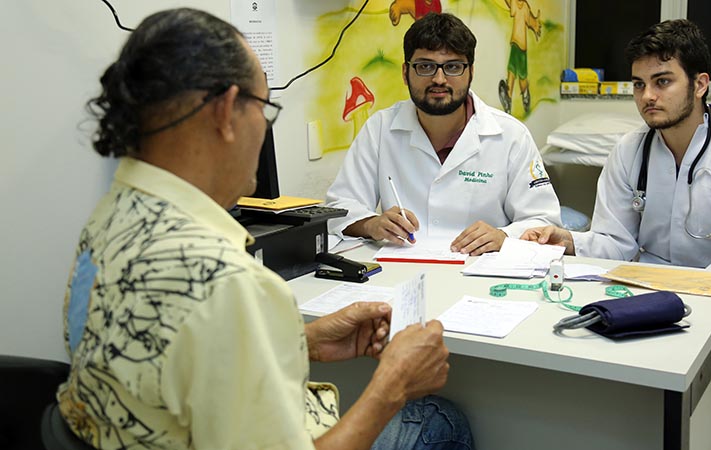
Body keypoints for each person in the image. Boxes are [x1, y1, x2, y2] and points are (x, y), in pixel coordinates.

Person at [58, 8, 472, 450]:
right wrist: (393, 385)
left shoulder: (113, 216)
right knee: (438, 421)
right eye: (264, 108)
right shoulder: (226, 281)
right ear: (224, 112)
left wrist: (300, 340)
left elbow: (178, 351)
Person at [522, 19, 711, 450]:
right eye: (639, 83)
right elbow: (614, 243)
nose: (647, 96)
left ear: (700, 84)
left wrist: (666, 295)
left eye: (663, 81)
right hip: (648, 283)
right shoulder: (630, 152)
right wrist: (571, 241)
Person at [325, 12, 561, 256]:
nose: (439, 79)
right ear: (405, 73)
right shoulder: (380, 128)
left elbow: (544, 221)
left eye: (453, 67)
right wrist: (371, 224)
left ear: (471, 72)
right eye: (425, 66)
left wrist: (503, 236)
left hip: (482, 269)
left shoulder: (511, 136)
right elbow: (338, 208)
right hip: (400, 268)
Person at [498, 0, 542, 115]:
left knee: (521, 75)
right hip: (515, 43)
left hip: (521, 46)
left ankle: (524, 93)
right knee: (512, 69)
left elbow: (531, 22)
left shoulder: (525, 7)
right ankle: (509, 95)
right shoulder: (516, 4)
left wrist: (536, 25)